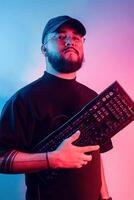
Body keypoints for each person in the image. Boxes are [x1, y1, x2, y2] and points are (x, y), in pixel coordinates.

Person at [0, 15, 113, 200]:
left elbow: (95, 151)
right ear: (44, 49)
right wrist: (52, 159)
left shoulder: (93, 98)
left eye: (76, 37)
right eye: (60, 36)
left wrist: (106, 196)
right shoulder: (23, 100)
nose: (70, 41)